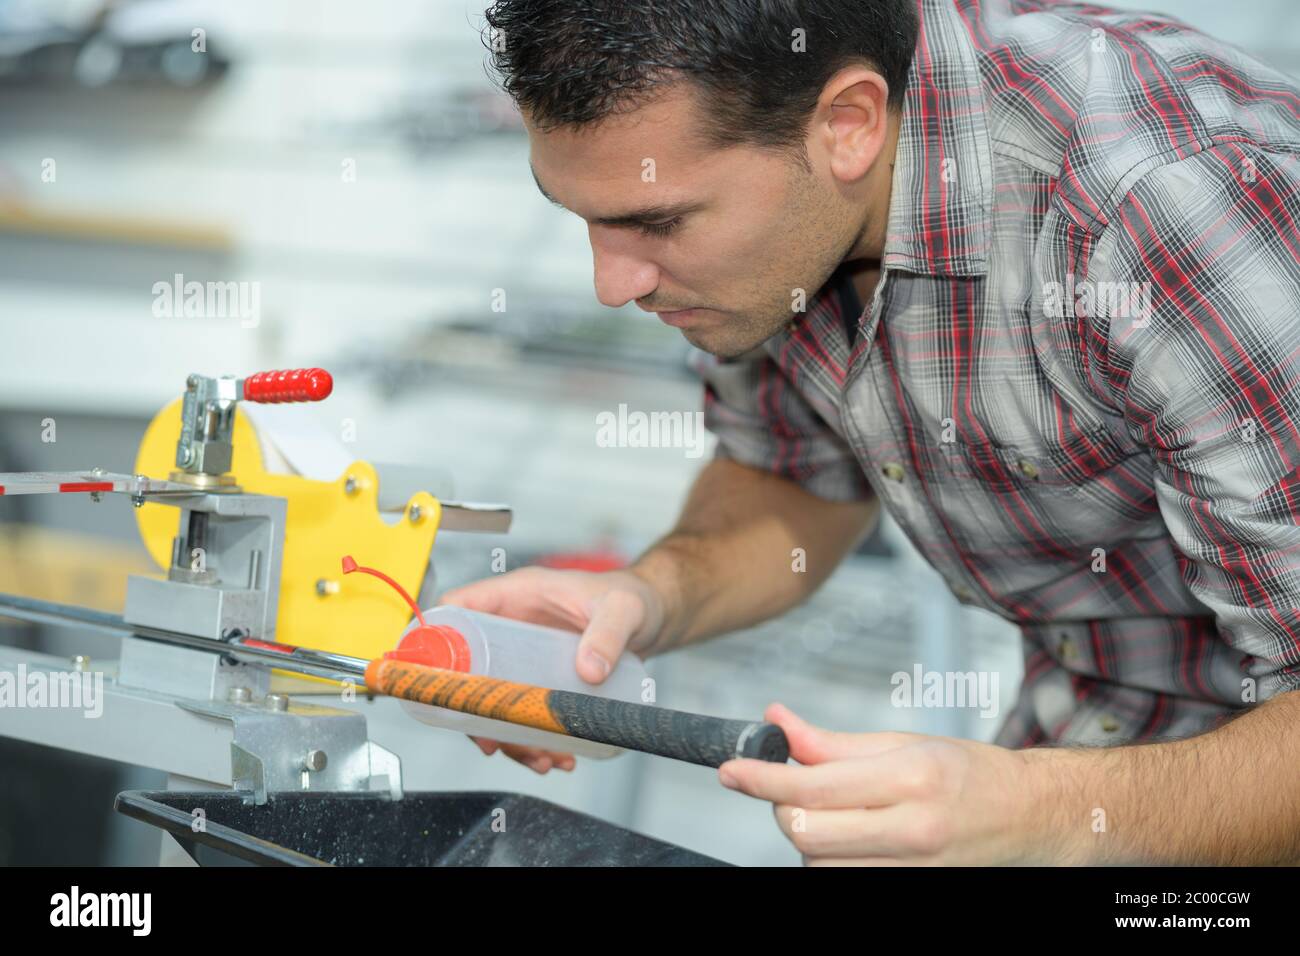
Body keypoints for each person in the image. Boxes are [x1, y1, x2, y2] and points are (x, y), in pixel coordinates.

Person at [442, 0, 1300, 864]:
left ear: (847, 125)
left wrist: (1041, 813)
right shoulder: (782, 221)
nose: (613, 283)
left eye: (658, 222)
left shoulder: (1165, 205)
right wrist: (646, 597)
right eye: (578, 213)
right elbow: (791, 475)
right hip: (1091, 745)